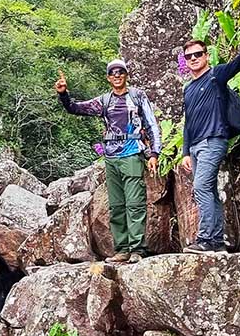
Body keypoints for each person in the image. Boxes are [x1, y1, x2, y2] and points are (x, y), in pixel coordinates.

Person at [54, 60, 162, 264]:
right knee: (117, 205)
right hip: (111, 157)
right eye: (113, 73)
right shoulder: (104, 101)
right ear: (108, 77)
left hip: (132, 154)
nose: (117, 75)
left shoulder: (137, 97)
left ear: (126, 75)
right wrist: (64, 95)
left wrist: (154, 153)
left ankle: (137, 248)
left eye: (121, 72)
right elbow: (77, 108)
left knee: (135, 202)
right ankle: (122, 249)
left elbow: (151, 124)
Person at [178, 20, 240, 254]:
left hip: (213, 140)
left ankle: (205, 239)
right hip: (195, 147)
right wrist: (185, 151)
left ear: (206, 55)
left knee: (201, 187)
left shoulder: (216, 76)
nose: (194, 58)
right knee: (209, 191)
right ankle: (215, 241)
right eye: (189, 56)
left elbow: (238, 65)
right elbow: (189, 121)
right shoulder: (188, 89)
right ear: (186, 61)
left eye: (198, 54)